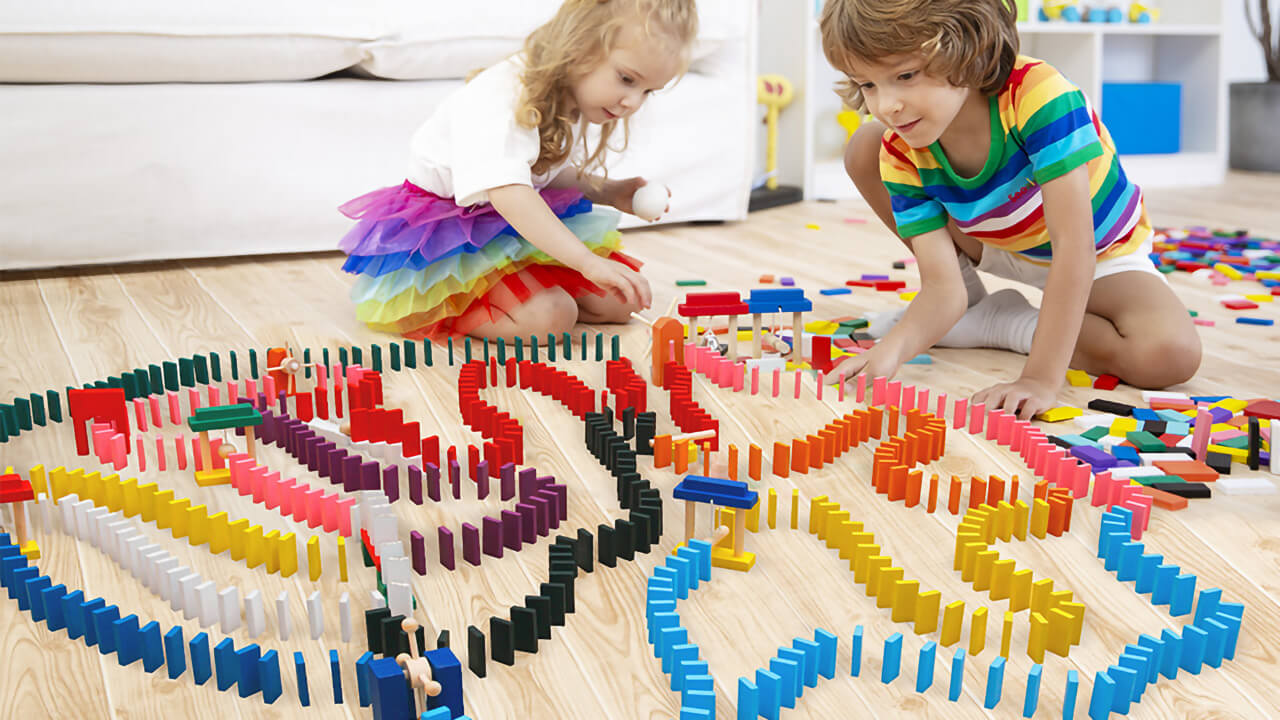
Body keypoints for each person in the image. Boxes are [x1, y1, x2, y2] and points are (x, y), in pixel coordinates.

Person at [819, 0, 1200, 419]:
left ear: (967, 46)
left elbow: (1075, 246)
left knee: (1170, 354)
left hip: (1095, 250)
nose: (885, 105)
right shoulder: (901, 147)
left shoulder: (1039, 95)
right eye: (868, 85)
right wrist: (888, 355)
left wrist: (1039, 378)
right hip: (991, 240)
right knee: (865, 145)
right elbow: (942, 289)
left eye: (905, 75)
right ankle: (981, 312)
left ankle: (1004, 324)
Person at [338, 0, 698, 342]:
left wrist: (609, 190)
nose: (633, 102)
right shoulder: (504, 95)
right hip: (448, 236)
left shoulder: (573, 95)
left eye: (648, 91)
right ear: (579, 44)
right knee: (550, 318)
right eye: (627, 79)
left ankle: (531, 289)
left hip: (509, 224)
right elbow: (510, 191)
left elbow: (540, 173)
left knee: (623, 300)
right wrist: (586, 261)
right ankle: (444, 306)